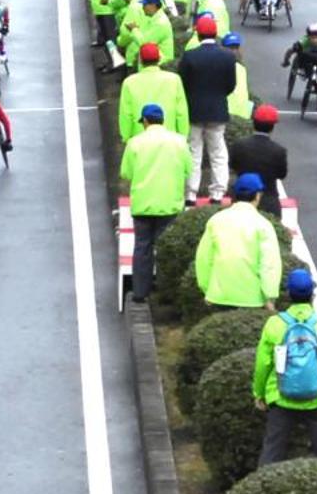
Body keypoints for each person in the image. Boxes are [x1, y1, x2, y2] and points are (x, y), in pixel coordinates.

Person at [254, 267, 317, 462]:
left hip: (281, 395)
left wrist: (259, 393)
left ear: (288, 294)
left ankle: (263, 489)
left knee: (272, 449)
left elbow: (263, 363)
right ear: (312, 294)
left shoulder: (275, 324)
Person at [120, 104, 191, 303]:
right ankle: (166, 292)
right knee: (167, 249)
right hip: (170, 203)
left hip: (143, 203)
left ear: (145, 121)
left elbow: (126, 173)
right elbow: (188, 169)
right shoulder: (179, 142)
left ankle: (140, 292)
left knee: (142, 247)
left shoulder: (135, 143)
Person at [194, 172, 282, 310]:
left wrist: (207, 289)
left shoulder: (216, 220)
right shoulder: (263, 225)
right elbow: (269, 264)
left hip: (219, 295)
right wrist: (269, 296)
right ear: (258, 195)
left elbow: (204, 259)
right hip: (253, 299)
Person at [178, 16, 238, 201]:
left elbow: (183, 84)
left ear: (198, 33)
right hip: (217, 110)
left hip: (194, 110)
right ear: (215, 33)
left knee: (193, 152)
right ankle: (218, 192)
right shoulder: (228, 57)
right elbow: (231, 85)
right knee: (218, 152)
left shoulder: (189, 56)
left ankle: (190, 193)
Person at [229, 104, 291, 222]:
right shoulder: (279, 151)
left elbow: (233, 166)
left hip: (241, 199)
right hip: (268, 199)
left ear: (254, 123)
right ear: (272, 127)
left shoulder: (239, 145)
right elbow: (282, 174)